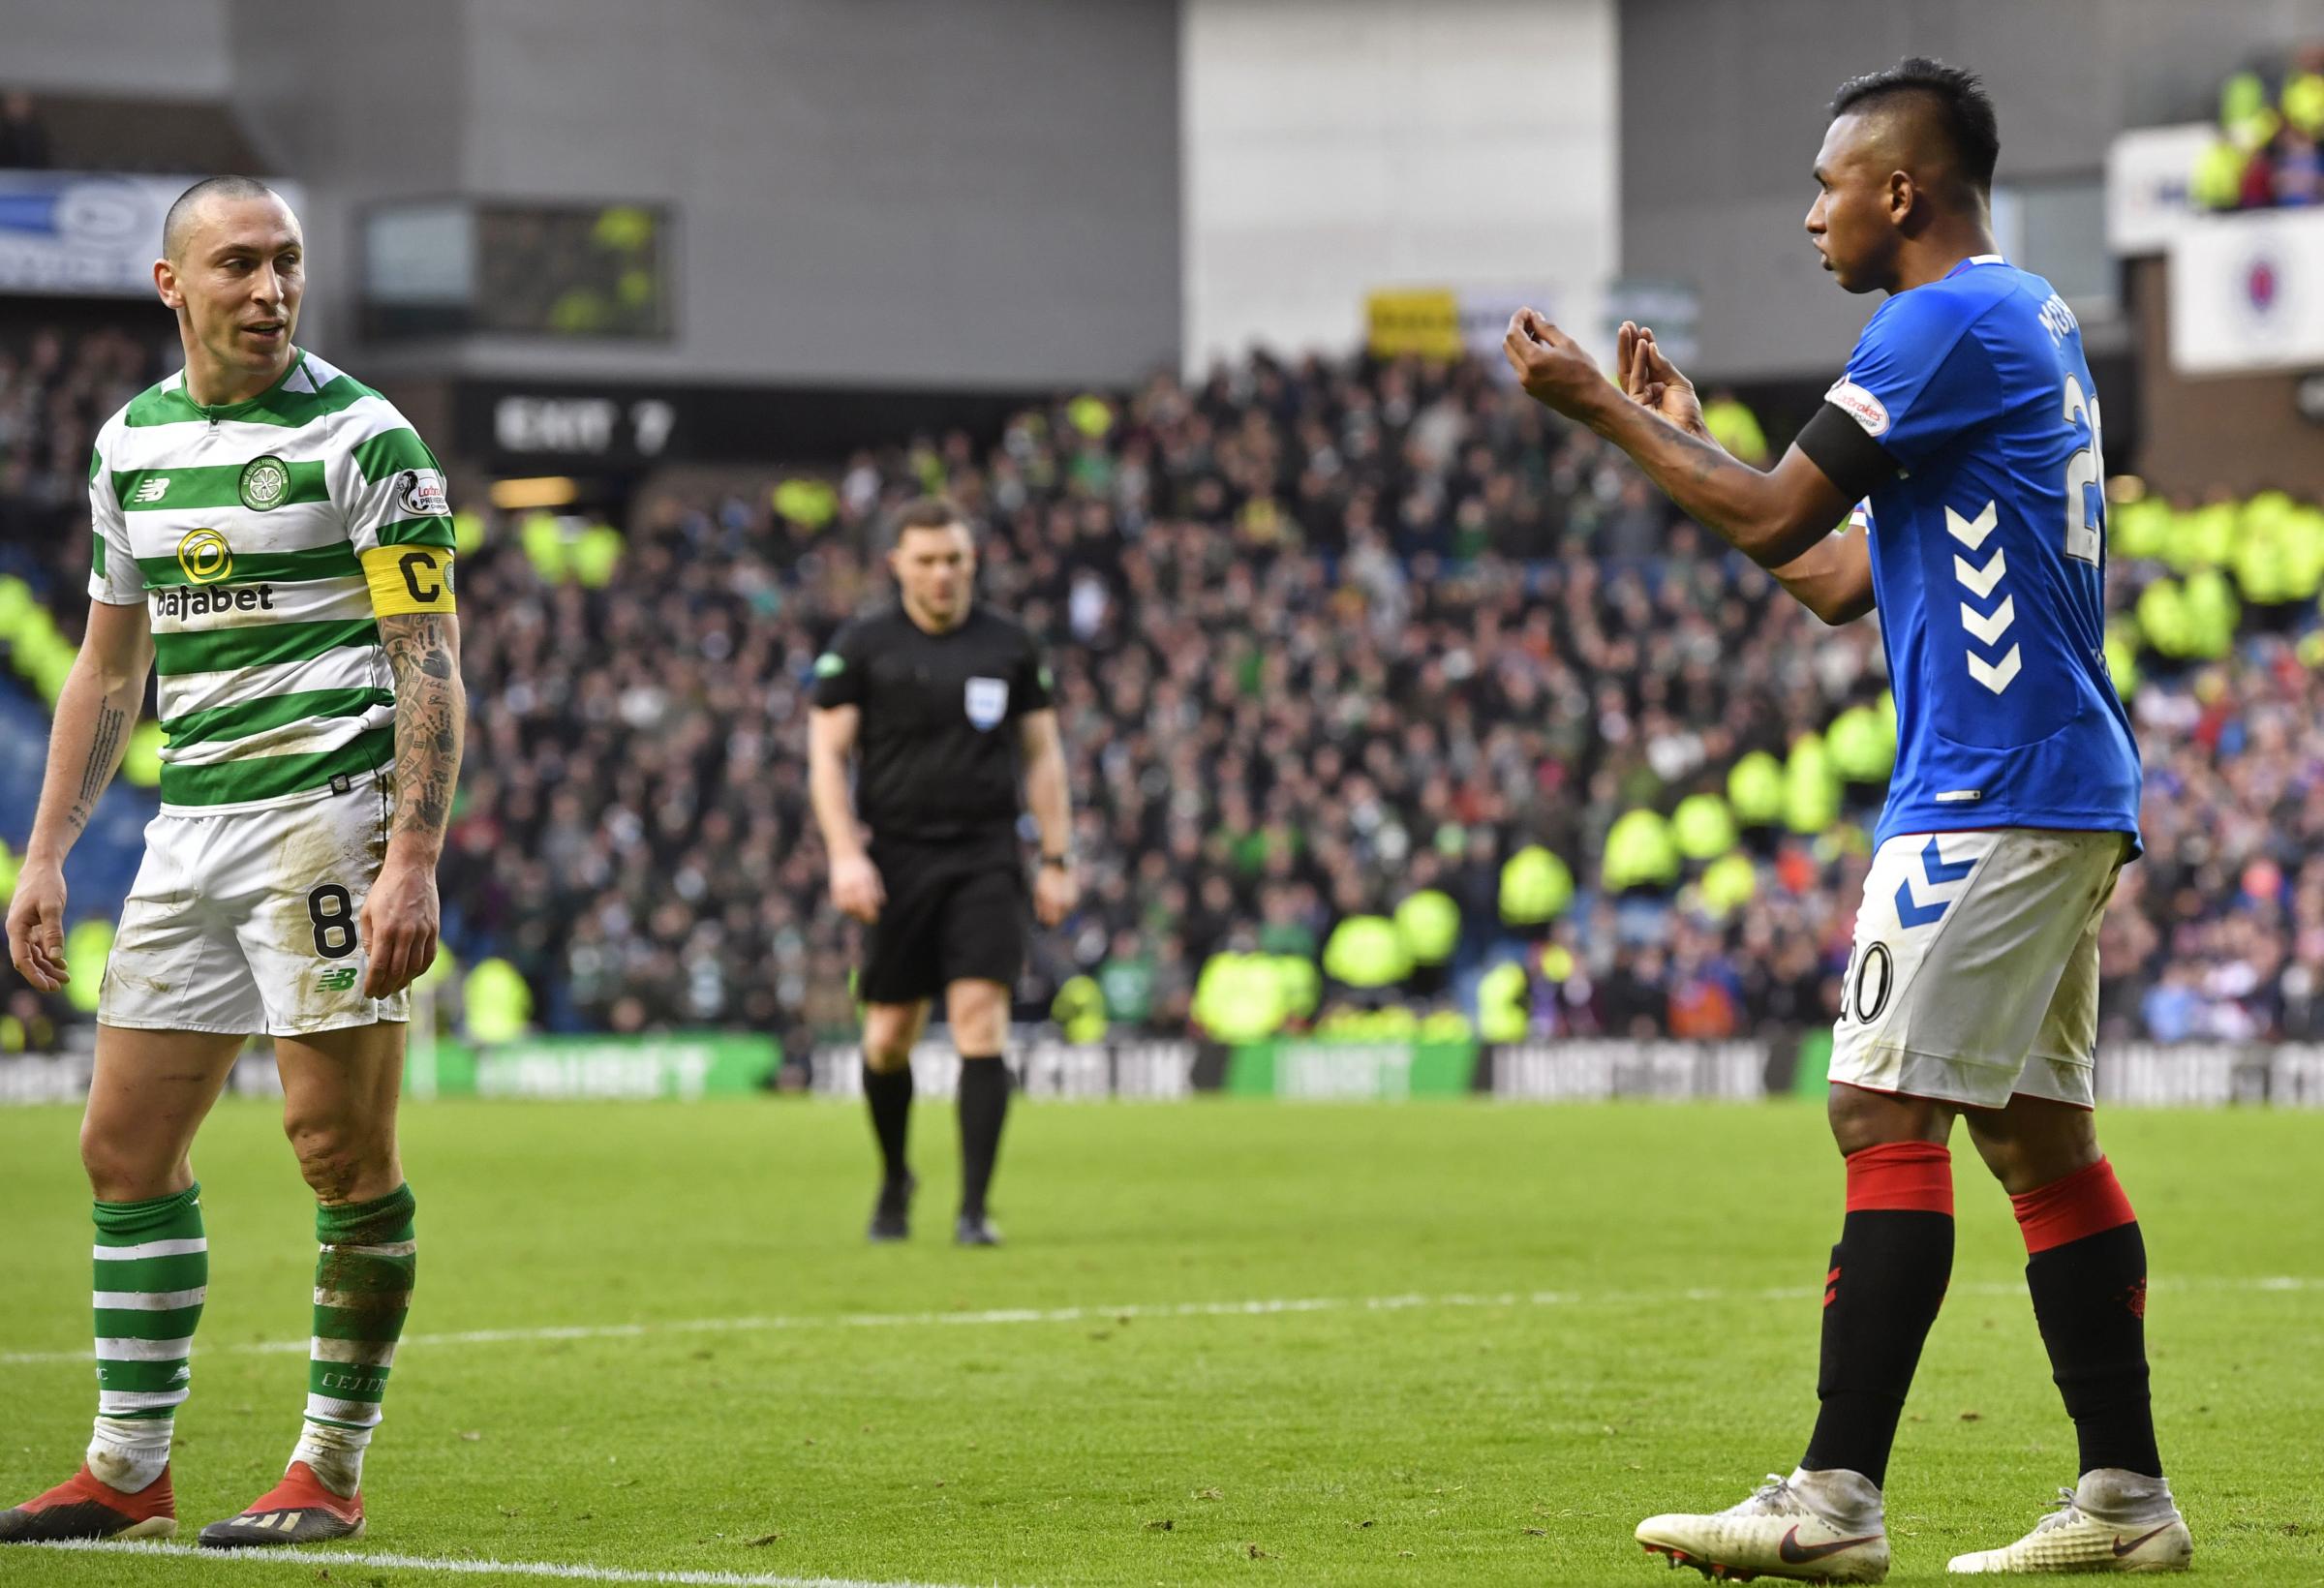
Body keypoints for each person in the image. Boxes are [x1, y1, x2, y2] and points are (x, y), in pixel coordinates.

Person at [1502, 60, 2186, 1580]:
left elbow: (1771, 517)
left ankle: (1833, 1501)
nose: (1810, 213)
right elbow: (1823, 581)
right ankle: (2127, 1502)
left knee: (1881, 1114)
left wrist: (1606, 415)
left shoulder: (1938, 324)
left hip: (1990, 794)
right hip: (2052, 783)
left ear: (1902, 194)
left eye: (1828, 185)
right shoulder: (2021, 322)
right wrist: (1698, 440)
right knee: (2035, 1136)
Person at [1, 176, 463, 1550]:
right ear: (172, 285)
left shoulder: (368, 440)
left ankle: (329, 1465)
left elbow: (427, 660)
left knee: (338, 1148)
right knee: (123, 1146)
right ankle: (128, 1470)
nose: (269, 290)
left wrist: (414, 857)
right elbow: (109, 664)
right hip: (189, 828)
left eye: (288, 265)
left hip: (326, 821)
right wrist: (43, 856)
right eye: (240, 265)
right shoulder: (129, 443)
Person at [807, 497, 1077, 1246]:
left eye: (954, 559)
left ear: (972, 562)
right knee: (888, 1037)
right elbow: (826, 757)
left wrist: (1056, 858)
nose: (941, 574)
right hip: (895, 857)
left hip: (987, 854)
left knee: (980, 1022)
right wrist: (845, 852)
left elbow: (1043, 755)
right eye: (925, 560)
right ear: (897, 565)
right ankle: (896, 1177)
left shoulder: (1010, 645)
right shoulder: (862, 647)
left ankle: (974, 1209)